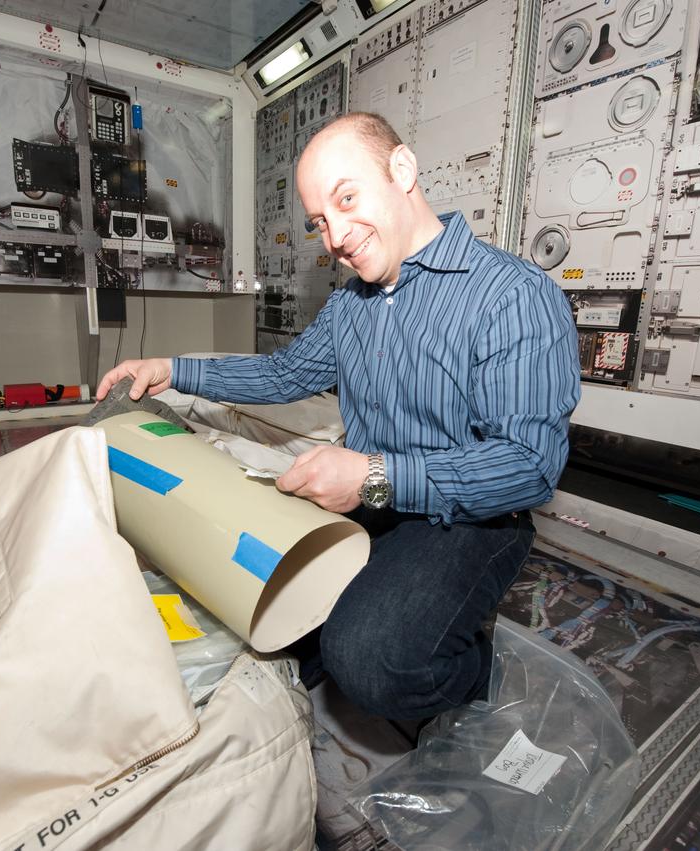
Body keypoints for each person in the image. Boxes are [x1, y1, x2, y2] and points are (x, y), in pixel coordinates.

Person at [95, 111, 580, 720]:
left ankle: (479, 675)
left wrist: (372, 477)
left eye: (347, 199)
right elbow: (287, 374)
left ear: (402, 170)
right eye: (321, 221)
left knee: (371, 661)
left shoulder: (512, 295)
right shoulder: (353, 303)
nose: (336, 236)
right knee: (271, 615)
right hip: (369, 500)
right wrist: (174, 370)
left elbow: (529, 468)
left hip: (471, 519)